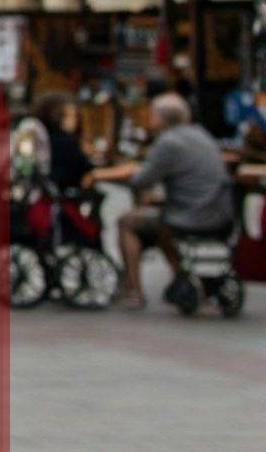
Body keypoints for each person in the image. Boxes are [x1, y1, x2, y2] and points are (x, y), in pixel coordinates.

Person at [91, 92, 238, 310]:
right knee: (158, 224)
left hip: (190, 217)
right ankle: (183, 277)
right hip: (220, 215)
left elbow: (141, 180)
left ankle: (134, 291)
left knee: (128, 223)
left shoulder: (168, 142)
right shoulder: (201, 135)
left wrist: (102, 174)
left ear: (160, 117)